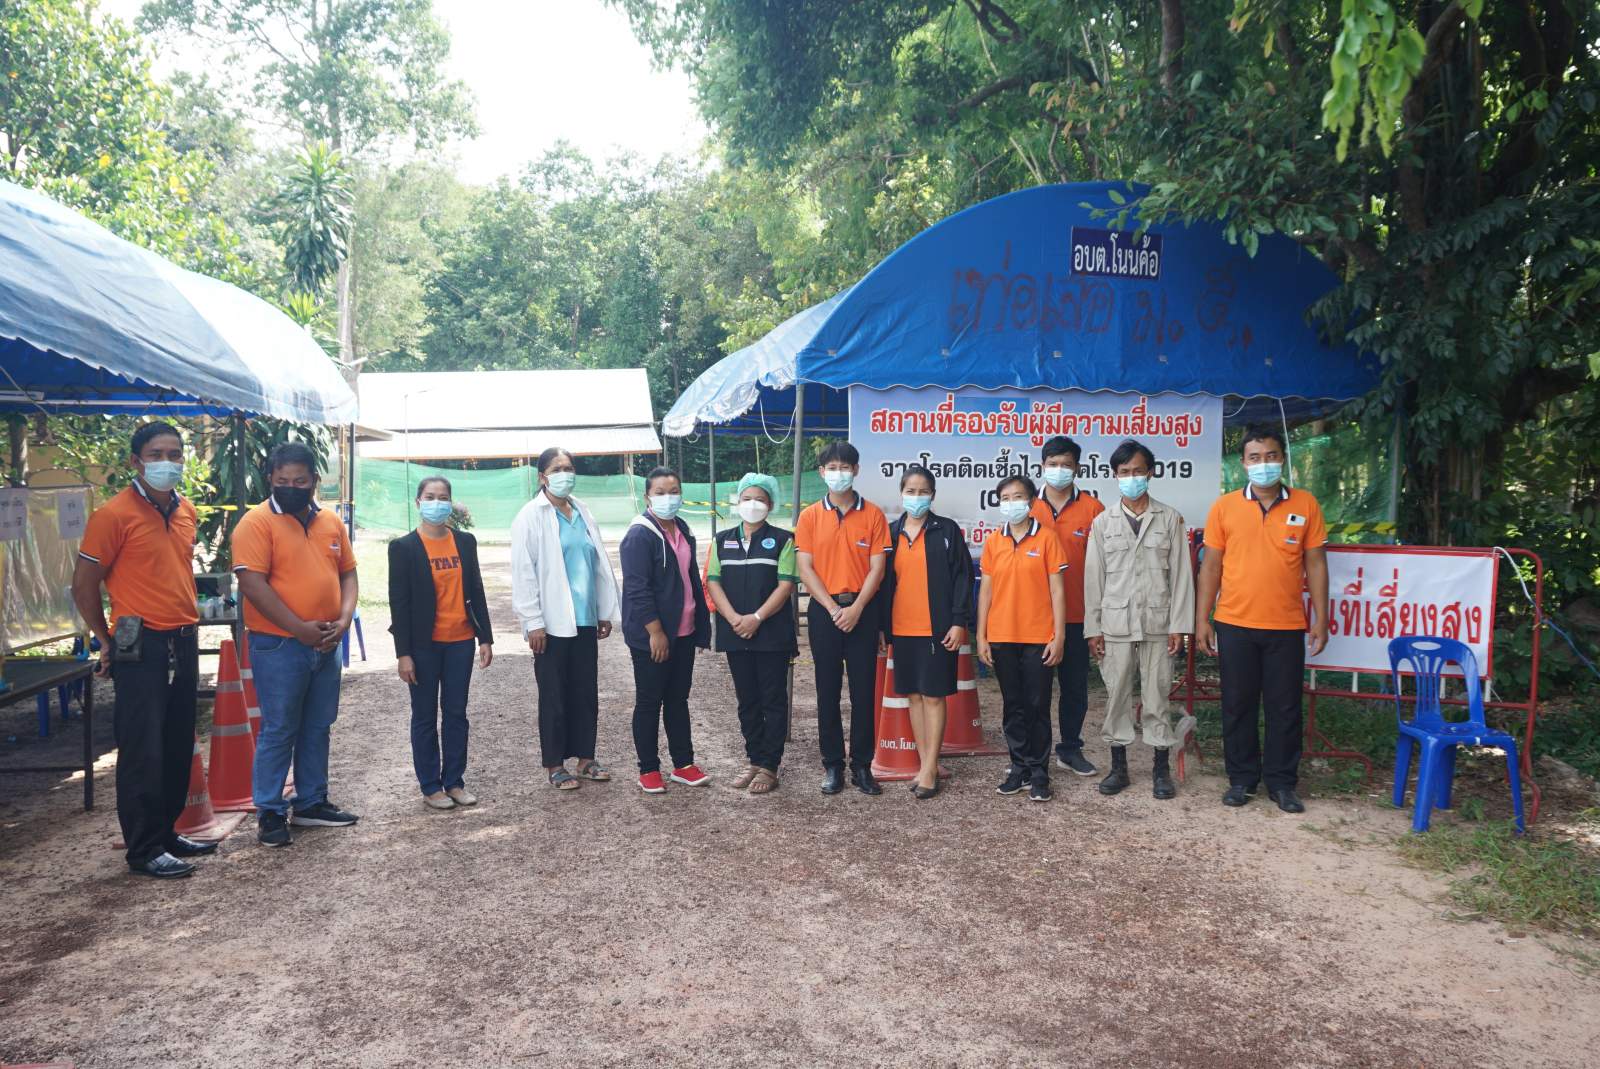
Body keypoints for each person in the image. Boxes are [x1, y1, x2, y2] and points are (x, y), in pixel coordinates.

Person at [71, 422, 211, 879]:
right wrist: (105, 639)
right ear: (136, 461)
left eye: (174, 453)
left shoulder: (185, 510)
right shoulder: (113, 515)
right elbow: (84, 585)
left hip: (183, 638)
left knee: (177, 741)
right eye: (156, 454)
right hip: (140, 644)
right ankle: (143, 847)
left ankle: (167, 832)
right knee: (142, 748)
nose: (166, 462)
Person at [1195, 425, 1330, 813]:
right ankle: (1241, 779)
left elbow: (1316, 564)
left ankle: (1282, 783)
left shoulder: (1306, 504)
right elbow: (1211, 567)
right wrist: (1202, 619)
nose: (1263, 464)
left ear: (1282, 458)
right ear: (1243, 463)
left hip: (1286, 625)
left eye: (1271, 456)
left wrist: (1321, 619)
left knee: (1284, 708)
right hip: (1234, 622)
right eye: (1255, 457)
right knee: (1237, 705)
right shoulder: (1225, 507)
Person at [232, 442, 360, 848]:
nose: (291, 487)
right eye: (282, 480)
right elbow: (252, 585)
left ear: (314, 481)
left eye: (300, 481)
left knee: (318, 725)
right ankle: (270, 810)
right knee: (280, 727)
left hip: (326, 642)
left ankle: (311, 802)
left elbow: (348, 574)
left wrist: (343, 621)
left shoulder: (330, 521)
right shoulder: (255, 523)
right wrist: (298, 628)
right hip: (279, 644)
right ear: (270, 479)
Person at [1082, 439, 1195, 800]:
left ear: (1151, 473)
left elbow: (1182, 576)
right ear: (1115, 475)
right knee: (1116, 695)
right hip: (1114, 626)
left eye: (1138, 471)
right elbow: (1093, 579)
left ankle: (1161, 769)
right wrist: (1093, 629)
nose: (1132, 477)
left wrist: (1180, 626)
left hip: (1159, 625)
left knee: (1157, 695)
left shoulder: (1170, 519)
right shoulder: (1103, 523)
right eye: (1124, 472)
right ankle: (1119, 768)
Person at [510, 447, 621, 791]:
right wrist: (533, 621)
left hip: (585, 619)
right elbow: (523, 572)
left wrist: (603, 610)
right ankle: (556, 765)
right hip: (552, 623)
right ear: (542, 477)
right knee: (554, 694)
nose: (565, 474)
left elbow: (596, 563)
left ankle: (586, 758)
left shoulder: (582, 511)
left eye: (569, 468)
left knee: (585, 691)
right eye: (557, 469)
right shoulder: (531, 516)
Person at [387, 477, 494, 810]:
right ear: (418, 502)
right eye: (430, 497)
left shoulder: (464, 542)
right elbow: (399, 604)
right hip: (423, 646)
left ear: (451, 502)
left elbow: (476, 589)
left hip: (459, 642)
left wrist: (485, 637)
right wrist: (403, 654)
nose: (437, 502)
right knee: (424, 716)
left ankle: (455, 781)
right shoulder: (404, 547)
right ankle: (431, 786)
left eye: (443, 497)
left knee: (456, 713)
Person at [794, 440, 892, 796]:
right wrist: (834, 609)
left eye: (845, 467)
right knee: (827, 691)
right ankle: (832, 764)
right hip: (825, 612)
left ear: (856, 470)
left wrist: (857, 609)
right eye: (832, 468)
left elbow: (878, 568)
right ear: (822, 472)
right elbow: (805, 567)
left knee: (863, 693)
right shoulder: (809, 516)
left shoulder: (874, 515)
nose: (839, 473)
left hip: (862, 612)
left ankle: (862, 766)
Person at [880, 465, 974, 799]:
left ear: (933, 495)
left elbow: (963, 577)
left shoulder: (946, 530)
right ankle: (925, 764)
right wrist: (883, 627)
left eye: (923, 491)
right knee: (914, 696)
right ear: (901, 493)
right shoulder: (891, 533)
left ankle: (931, 768)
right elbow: (883, 583)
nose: (916, 497)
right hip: (902, 628)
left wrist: (959, 621)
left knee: (933, 696)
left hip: (938, 629)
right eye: (911, 491)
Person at [620, 466, 712, 793]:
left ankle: (683, 764)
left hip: (683, 631)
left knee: (678, 699)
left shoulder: (682, 528)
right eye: (660, 492)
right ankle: (648, 769)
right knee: (650, 701)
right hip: (653, 636)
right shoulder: (639, 535)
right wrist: (655, 632)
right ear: (648, 497)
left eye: (673, 491)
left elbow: (689, 579)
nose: (668, 498)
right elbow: (637, 588)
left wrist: (700, 626)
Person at [705, 473, 797, 795]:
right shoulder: (721, 540)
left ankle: (770, 765)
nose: (752, 504)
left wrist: (756, 618)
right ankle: (754, 759)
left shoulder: (784, 540)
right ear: (737, 502)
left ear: (771, 504)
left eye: (760, 499)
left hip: (771, 634)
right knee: (747, 700)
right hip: (735, 633)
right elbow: (713, 581)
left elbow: (785, 585)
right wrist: (734, 618)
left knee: (773, 699)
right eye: (747, 498)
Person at [977, 475, 1067, 803]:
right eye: (1005, 497)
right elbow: (986, 591)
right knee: (1012, 705)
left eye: (1018, 497)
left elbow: (1058, 591)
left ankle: (1040, 772)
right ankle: (1019, 768)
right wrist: (981, 635)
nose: (1011, 503)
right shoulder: (993, 541)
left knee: (1037, 705)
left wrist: (1059, 636)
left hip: (1038, 636)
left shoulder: (1047, 538)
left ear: (1031, 502)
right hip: (1002, 636)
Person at [1030, 435, 1106, 777]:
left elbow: (1104, 567)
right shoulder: (1027, 506)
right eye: (1053, 464)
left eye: (1066, 464)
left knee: (1074, 688)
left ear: (1078, 468)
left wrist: (1098, 619)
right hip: (1034, 618)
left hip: (1078, 614)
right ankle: (1035, 755)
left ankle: (1070, 749)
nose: (1059, 470)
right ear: (1042, 466)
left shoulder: (1094, 509)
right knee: (1036, 691)